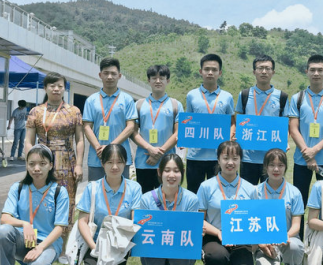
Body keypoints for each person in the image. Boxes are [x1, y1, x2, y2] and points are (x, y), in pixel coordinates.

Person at [0, 144, 69, 265]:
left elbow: (60, 228)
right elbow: (4, 218)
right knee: (2, 232)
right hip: (23, 240)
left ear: (51, 165)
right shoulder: (18, 188)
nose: (36, 168)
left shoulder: (59, 192)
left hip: (47, 243)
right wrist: (25, 224)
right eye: (32, 164)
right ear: (26, 165)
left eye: (42, 163)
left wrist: (40, 248)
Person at [25, 72, 85, 264]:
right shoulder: (36, 112)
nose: (56, 89)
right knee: (38, 202)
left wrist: (79, 165)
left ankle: (62, 250)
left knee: (67, 204)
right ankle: (33, 245)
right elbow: (28, 141)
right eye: (52, 85)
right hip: (41, 163)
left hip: (66, 163)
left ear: (64, 88)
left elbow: (80, 140)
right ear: (45, 88)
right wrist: (31, 163)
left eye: (59, 85)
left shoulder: (74, 111)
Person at [287, 54, 323, 239]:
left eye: (320, 70)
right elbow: (293, 129)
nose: (316, 73)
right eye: (312, 70)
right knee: (300, 202)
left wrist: (315, 151)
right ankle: (298, 241)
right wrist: (308, 154)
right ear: (306, 72)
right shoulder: (297, 98)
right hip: (301, 161)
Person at [131, 154, 201, 265]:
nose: (171, 175)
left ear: (182, 172)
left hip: (181, 257)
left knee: (180, 241)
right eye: (167, 170)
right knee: (151, 243)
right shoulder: (146, 199)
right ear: (159, 172)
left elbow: (191, 233)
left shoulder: (191, 200)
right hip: (154, 255)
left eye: (176, 171)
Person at [76, 144, 142, 265]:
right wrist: (94, 247)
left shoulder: (134, 188)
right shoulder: (92, 188)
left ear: (125, 163)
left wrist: (122, 240)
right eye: (110, 162)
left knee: (121, 246)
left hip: (121, 241)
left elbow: (135, 220)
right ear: (102, 163)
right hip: (96, 242)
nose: (115, 167)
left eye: (119, 162)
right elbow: (82, 222)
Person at [198, 141, 257, 265]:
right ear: (218, 160)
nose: (230, 162)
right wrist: (219, 233)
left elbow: (255, 220)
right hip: (214, 238)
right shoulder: (206, 187)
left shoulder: (251, 189)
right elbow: (199, 221)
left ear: (240, 160)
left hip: (241, 241)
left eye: (235, 158)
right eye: (225, 158)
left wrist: (256, 243)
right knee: (216, 257)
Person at [254, 149, 304, 265]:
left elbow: (296, 225)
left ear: (285, 167)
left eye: (280, 165)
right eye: (272, 165)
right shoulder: (255, 192)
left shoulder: (294, 192)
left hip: (287, 241)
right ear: (265, 167)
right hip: (265, 245)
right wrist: (261, 242)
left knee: (294, 246)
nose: (276, 169)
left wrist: (284, 236)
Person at [185, 54, 235, 194]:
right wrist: (184, 137)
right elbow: (188, 121)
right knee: (194, 194)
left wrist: (230, 138)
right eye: (207, 69)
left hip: (218, 157)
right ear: (200, 71)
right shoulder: (191, 95)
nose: (210, 72)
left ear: (220, 73)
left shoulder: (227, 97)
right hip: (195, 156)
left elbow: (232, 123)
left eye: (214, 70)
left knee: (217, 195)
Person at [235, 55, 288, 184]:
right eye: (260, 68)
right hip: (248, 157)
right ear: (254, 71)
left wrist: (285, 141)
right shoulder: (244, 94)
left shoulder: (282, 97)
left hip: (272, 158)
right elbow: (239, 121)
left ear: (273, 72)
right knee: (247, 193)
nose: (264, 71)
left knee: (270, 193)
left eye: (267, 68)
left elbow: (285, 125)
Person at [83, 57, 138, 181]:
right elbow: (87, 127)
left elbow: (130, 127)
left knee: (121, 191)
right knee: (96, 190)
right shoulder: (91, 100)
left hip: (121, 157)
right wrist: (98, 147)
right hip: (97, 157)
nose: (109, 77)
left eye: (113, 74)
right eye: (106, 73)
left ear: (119, 76)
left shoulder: (127, 99)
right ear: (100, 75)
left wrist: (110, 147)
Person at [132, 65, 184, 193]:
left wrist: (159, 152)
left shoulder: (175, 105)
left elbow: (178, 132)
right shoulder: (139, 104)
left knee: (167, 197)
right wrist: (150, 148)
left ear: (168, 80)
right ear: (148, 80)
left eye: (162, 78)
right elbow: (133, 132)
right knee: (145, 198)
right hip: (144, 161)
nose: (158, 81)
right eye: (154, 78)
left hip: (168, 163)